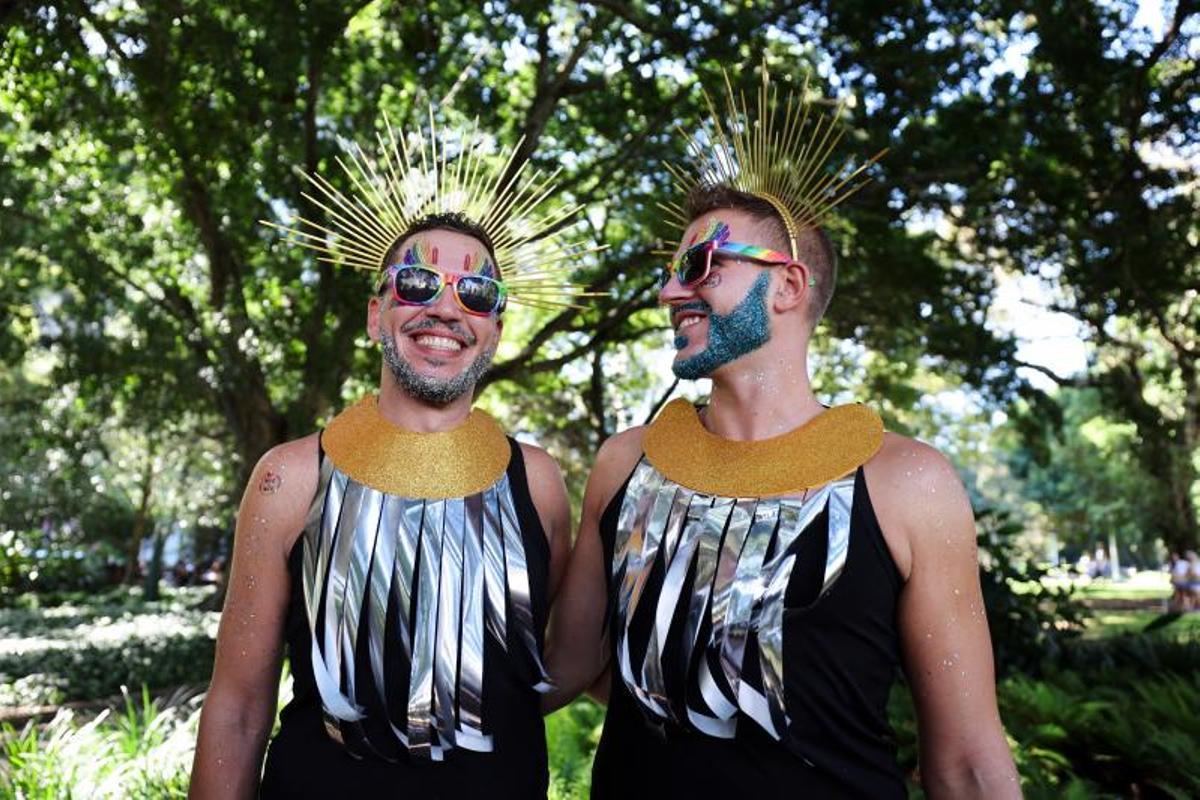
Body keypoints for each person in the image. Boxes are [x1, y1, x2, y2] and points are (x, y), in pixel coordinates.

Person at [545, 66, 1020, 797]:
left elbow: (966, 760)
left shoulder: (908, 484)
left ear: (788, 287)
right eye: (672, 271)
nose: (673, 291)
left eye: (701, 266)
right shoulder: (625, 462)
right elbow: (566, 667)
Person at [189, 110, 590, 799]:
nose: (445, 307)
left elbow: (541, 665)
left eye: (475, 292)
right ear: (378, 315)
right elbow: (237, 707)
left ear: (493, 330)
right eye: (415, 285)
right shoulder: (289, 477)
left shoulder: (540, 482)